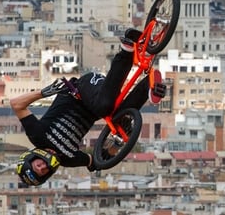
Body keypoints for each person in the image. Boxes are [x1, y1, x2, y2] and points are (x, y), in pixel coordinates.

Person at [11, 29, 166, 187]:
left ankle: (127, 49)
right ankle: (149, 85)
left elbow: (16, 104)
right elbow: (99, 161)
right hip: (98, 105)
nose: (44, 166)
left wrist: (46, 92)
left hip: (82, 88)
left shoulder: (37, 136)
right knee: (121, 121)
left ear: (32, 157)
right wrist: (118, 143)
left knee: (103, 107)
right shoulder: (68, 159)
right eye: (44, 171)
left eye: (38, 166)